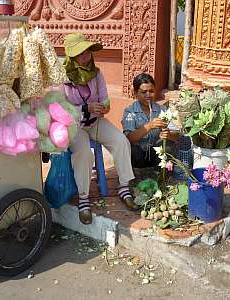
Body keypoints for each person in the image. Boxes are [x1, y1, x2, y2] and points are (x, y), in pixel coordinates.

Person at [61, 33, 138, 225]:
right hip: (74, 126)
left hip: (95, 122)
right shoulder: (61, 78)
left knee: (121, 141)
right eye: (81, 52)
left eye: (88, 51)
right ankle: (84, 198)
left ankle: (123, 186)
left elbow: (104, 97)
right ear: (72, 56)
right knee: (84, 152)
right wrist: (85, 108)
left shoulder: (97, 73)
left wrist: (104, 106)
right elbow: (60, 110)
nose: (86, 55)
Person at [121, 73, 179, 169]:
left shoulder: (162, 109)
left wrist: (168, 134)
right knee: (130, 149)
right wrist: (149, 126)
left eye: (151, 91)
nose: (148, 95)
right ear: (135, 93)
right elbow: (129, 138)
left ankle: (160, 174)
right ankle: (136, 175)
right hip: (138, 155)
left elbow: (176, 136)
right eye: (144, 92)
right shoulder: (130, 112)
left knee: (168, 145)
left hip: (155, 153)